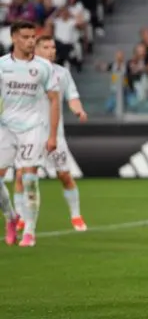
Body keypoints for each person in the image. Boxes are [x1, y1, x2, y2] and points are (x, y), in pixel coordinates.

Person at [13, 35, 88, 234]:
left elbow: (72, 97)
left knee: (64, 175)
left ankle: (76, 215)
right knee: (22, 176)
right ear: (35, 50)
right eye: (46, 47)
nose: (51, 51)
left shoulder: (62, 74)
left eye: (53, 47)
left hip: (55, 136)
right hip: (28, 134)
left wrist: (78, 110)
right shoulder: (23, 72)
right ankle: (21, 218)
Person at [0, 21, 59, 247]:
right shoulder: (2, 65)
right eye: (25, 37)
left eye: (33, 37)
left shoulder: (44, 67)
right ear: (14, 38)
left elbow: (54, 101)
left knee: (29, 178)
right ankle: (11, 217)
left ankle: (30, 232)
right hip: (6, 128)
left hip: (33, 128)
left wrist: (52, 135)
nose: (31, 41)